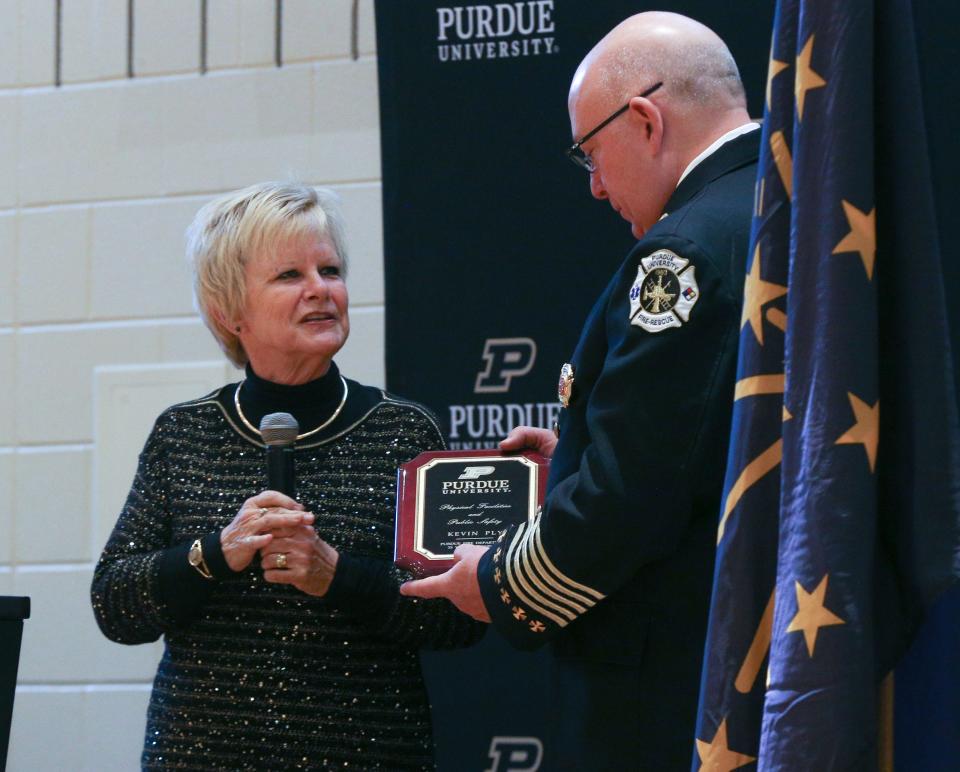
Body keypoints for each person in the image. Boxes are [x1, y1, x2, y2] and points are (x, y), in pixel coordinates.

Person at [401, 12, 760, 769]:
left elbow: (630, 497)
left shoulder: (684, 252)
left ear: (645, 119)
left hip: (670, 686)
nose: (595, 186)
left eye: (592, 153)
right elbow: (710, 443)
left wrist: (498, 581)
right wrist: (577, 454)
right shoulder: (781, 209)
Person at [91, 182, 482, 770]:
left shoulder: (401, 431)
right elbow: (115, 604)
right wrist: (215, 553)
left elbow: (458, 619)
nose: (320, 290)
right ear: (229, 311)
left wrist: (337, 574)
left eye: (329, 269)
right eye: (289, 276)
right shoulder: (184, 433)